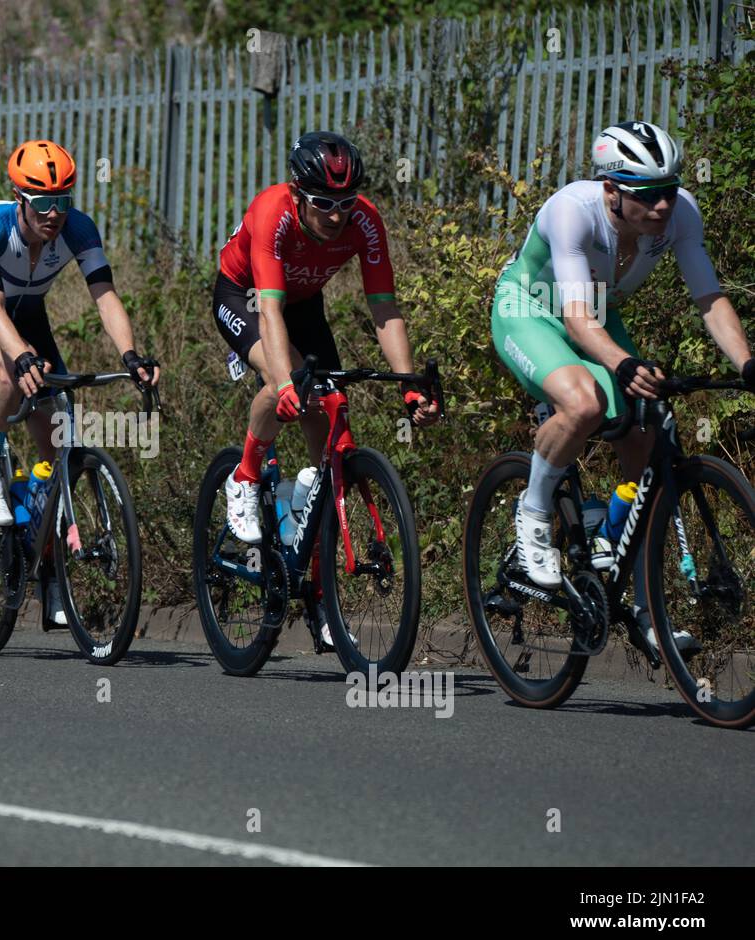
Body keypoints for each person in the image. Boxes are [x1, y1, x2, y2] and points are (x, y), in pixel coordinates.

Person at [491, 120, 754, 653]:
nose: (662, 207)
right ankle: (534, 515)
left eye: (670, 191)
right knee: (584, 402)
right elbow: (575, 320)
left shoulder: (680, 215)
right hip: (531, 309)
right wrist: (626, 364)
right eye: (648, 195)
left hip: (595, 312)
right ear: (610, 190)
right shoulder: (573, 209)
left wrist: (749, 364)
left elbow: (709, 298)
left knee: (643, 443)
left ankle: (641, 604)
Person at [0, 139, 158, 623]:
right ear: (19, 198)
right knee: (11, 373)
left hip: (30, 318)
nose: (54, 214)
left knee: (59, 441)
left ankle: (48, 569)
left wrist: (130, 353)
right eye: (43, 203)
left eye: (63, 201)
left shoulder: (79, 229)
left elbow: (105, 296)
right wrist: (18, 358)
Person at [215, 131, 440, 543]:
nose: (337, 216)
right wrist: (285, 383)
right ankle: (244, 476)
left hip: (303, 303)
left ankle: (300, 509)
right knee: (291, 383)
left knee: (328, 409)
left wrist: (409, 385)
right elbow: (269, 310)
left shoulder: (366, 221)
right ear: (298, 194)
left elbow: (385, 311)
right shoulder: (272, 212)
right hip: (246, 296)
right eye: (323, 203)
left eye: (346, 203)